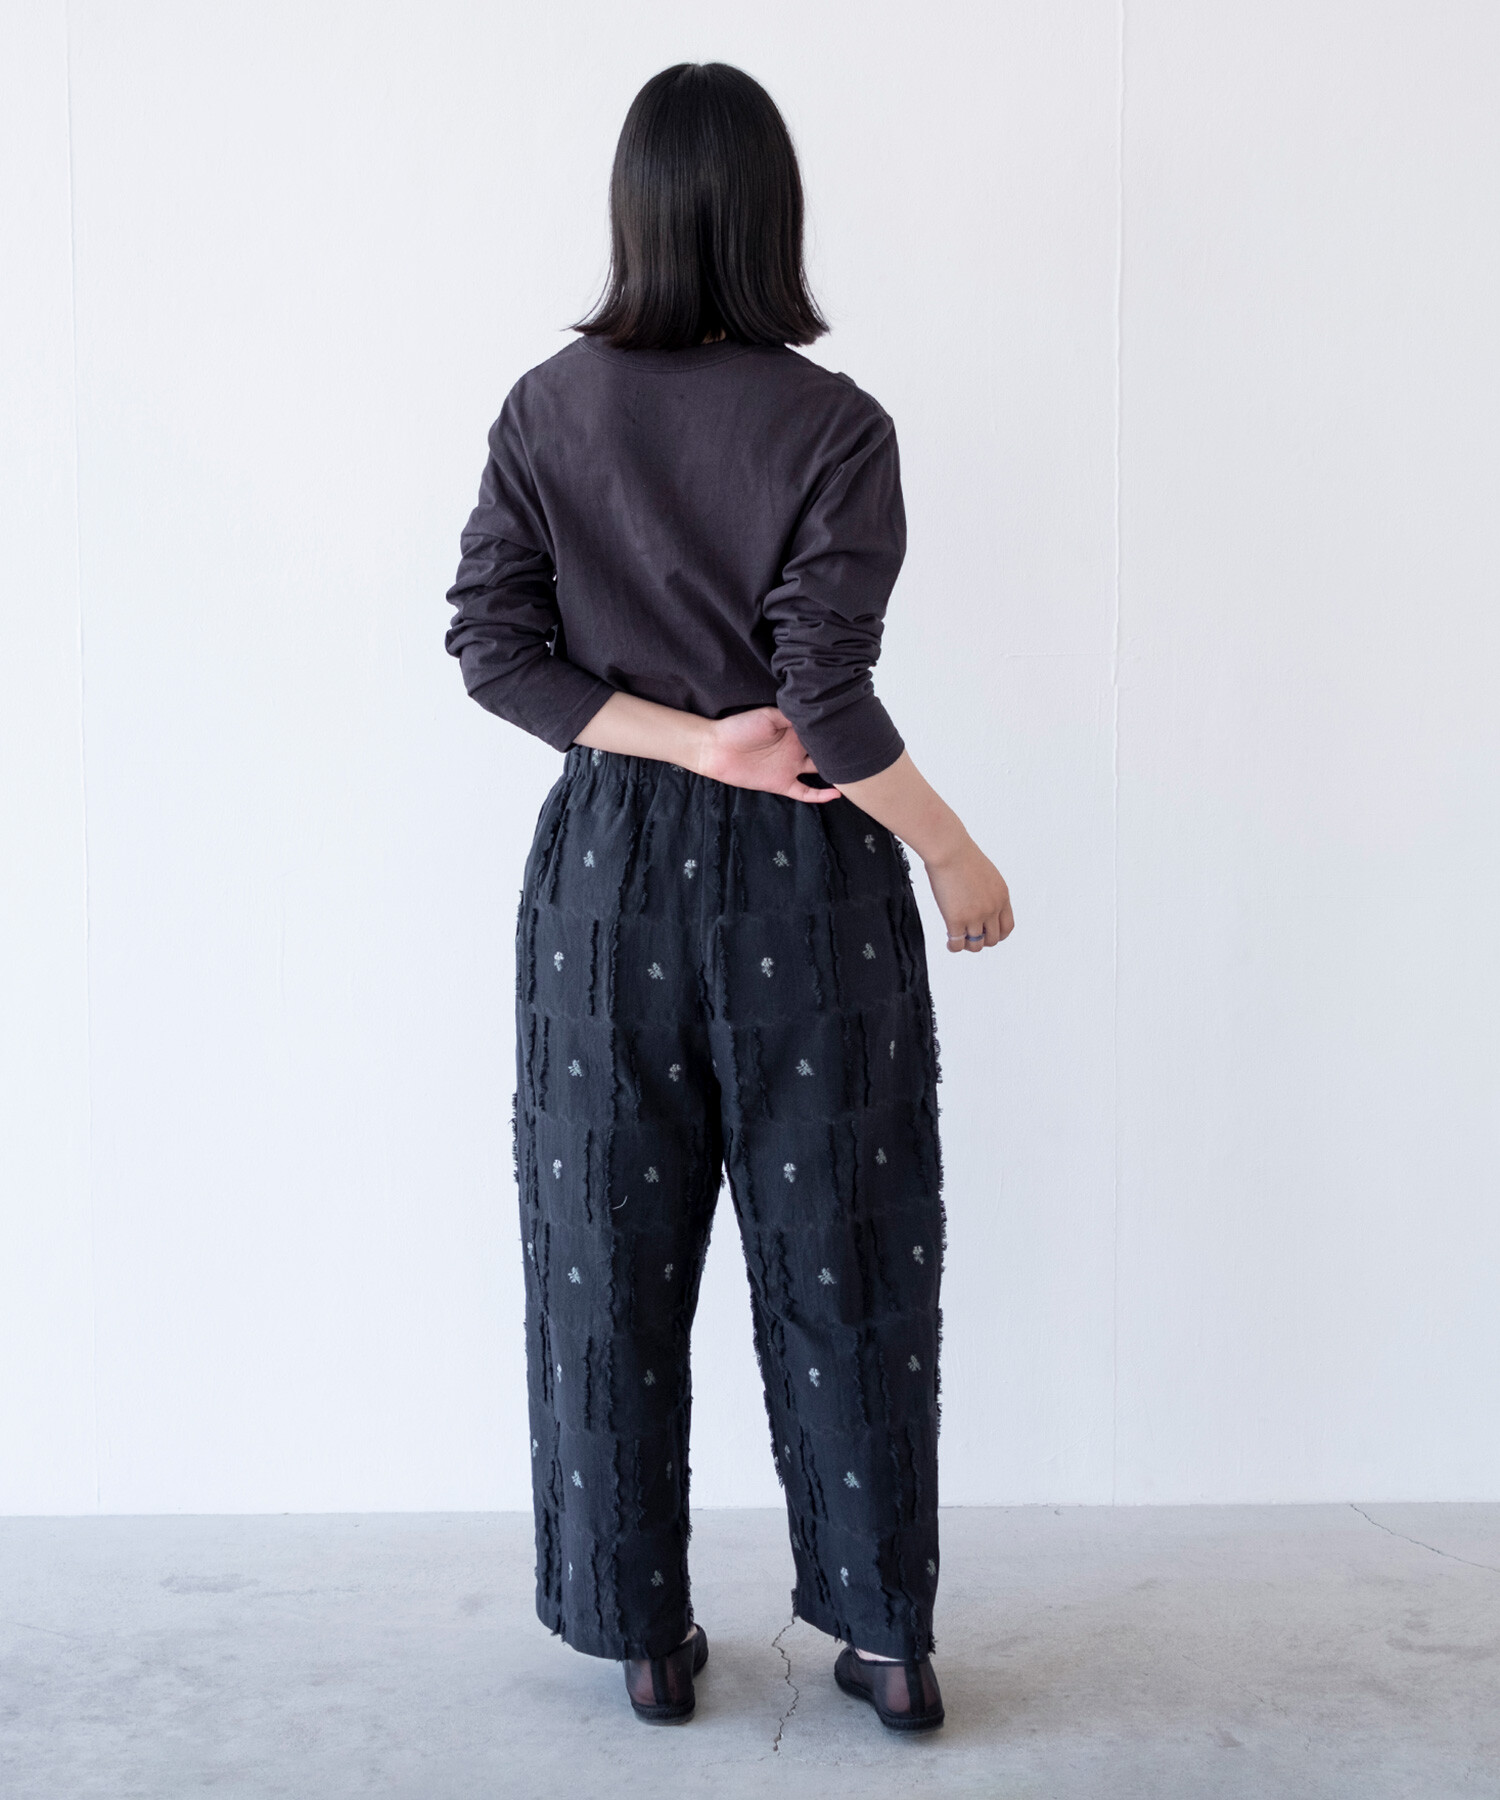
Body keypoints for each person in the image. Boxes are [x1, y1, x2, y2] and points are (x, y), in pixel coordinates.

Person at [444, 61, 1013, 1735]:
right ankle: (887, 1640)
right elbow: (821, 697)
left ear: (633, 211)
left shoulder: (548, 407)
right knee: (847, 1240)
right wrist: (951, 848)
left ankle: (639, 1635)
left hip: (606, 882)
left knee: (602, 1254)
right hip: (805, 881)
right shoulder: (836, 428)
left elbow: (493, 649)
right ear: (776, 214)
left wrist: (684, 743)